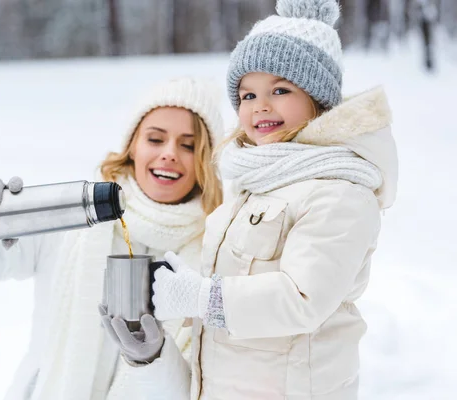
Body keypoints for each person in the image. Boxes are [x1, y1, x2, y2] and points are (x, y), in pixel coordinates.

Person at [118, 1, 398, 399]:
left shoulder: (339, 190)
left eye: (280, 90)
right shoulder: (260, 181)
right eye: (247, 94)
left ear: (318, 98)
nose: (260, 106)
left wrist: (201, 296)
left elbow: (302, 299)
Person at [0, 77, 224, 400]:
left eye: (189, 145)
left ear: (206, 160)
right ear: (132, 147)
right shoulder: (69, 217)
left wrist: (154, 359)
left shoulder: (219, 250)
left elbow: (202, 391)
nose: (169, 153)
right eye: (155, 138)